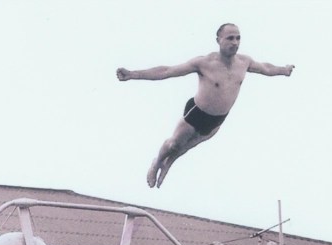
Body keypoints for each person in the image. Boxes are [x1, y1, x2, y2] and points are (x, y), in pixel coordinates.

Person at [117, 23, 294, 188]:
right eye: (230, 38)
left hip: (217, 120)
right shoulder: (204, 63)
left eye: (238, 38)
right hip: (196, 113)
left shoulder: (244, 62)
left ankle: (168, 164)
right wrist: (133, 74)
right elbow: (167, 71)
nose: (235, 42)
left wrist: (284, 70)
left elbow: (267, 68)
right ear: (218, 41)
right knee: (173, 145)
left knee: (184, 148)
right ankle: (157, 162)